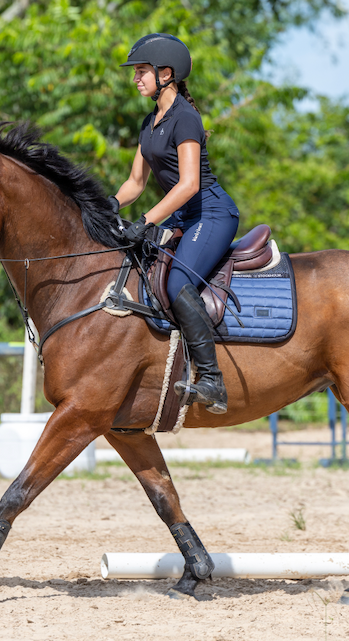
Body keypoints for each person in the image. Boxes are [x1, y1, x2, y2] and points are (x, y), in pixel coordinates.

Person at [109, 33, 239, 415]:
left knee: (179, 282)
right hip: (185, 217)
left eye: (141, 71)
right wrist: (109, 206)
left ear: (166, 73)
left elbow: (189, 184)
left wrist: (147, 219)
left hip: (211, 215)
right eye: (135, 72)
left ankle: (212, 381)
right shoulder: (151, 121)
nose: (135, 78)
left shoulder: (185, 117)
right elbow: (135, 183)